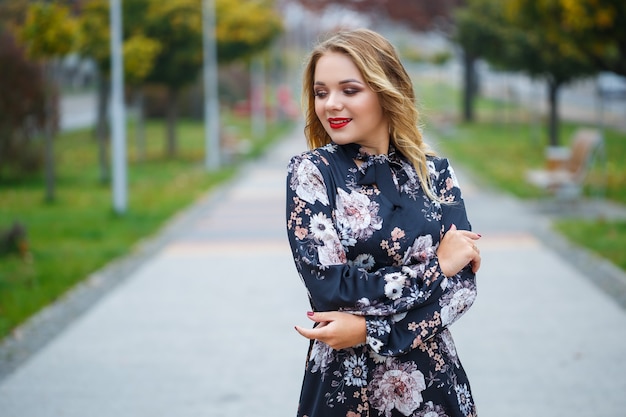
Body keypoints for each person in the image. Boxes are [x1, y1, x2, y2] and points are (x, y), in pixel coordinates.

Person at [285, 28, 481, 417]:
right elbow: (332, 288)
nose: (331, 105)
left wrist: (367, 331)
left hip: (434, 386)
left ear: (385, 89)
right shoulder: (312, 173)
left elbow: (460, 291)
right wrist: (438, 267)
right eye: (321, 92)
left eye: (349, 90)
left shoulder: (436, 173)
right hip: (345, 387)